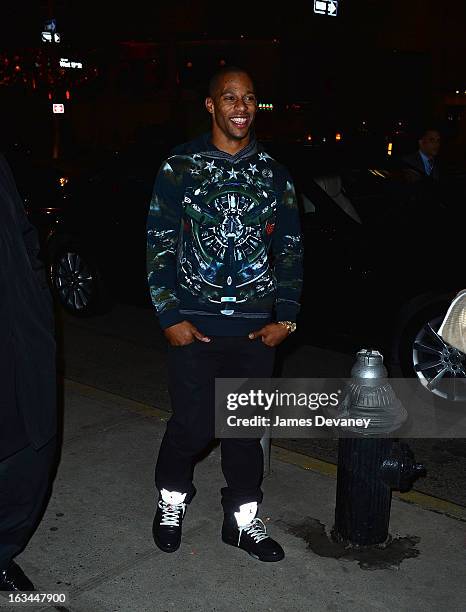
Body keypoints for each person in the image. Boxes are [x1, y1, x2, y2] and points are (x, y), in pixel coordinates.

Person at [146, 66, 303, 562]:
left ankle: (241, 522)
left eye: (250, 98)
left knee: (243, 432)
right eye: (230, 98)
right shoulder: (180, 166)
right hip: (195, 323)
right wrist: (169, 315)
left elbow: (292, 248)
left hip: (257, 330)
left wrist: (288, 317)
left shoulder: (274, 173)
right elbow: (159, 242)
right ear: (211, 105)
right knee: (192, 427)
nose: (241, 107)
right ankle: (171, 498)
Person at [0, 153, 57, 591]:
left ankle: (2, 553)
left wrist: (37, 288)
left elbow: (21, 228)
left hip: (18, 327)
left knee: (30, 457)